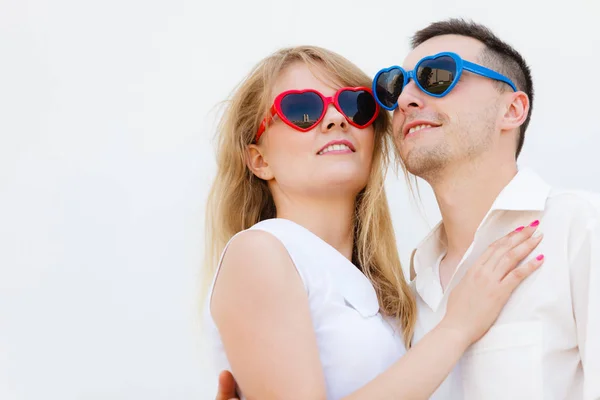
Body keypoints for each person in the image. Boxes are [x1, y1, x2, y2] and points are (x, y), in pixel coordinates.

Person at [203, 45, 544, 400]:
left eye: (356, 105)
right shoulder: (258, 252)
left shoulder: (390, 289)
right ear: (259, 161)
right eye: (302, 109)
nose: (336, 118)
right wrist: (456, 328)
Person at [375, 19, 599, 399]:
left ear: (512, 109)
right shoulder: (408, 292)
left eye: (437, 75)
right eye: (395, 85)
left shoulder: (578, 228)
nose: (405, 99)